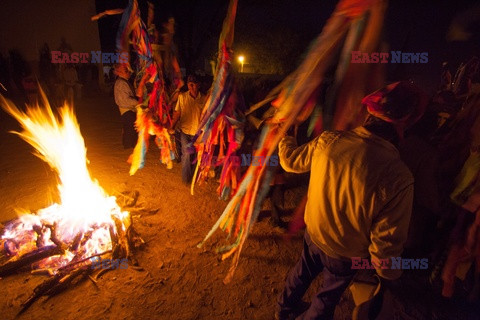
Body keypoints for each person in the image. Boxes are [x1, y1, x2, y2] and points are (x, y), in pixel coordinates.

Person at [275, 81, 427, 320]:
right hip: (345, 255)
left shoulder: (329, 141)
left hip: (313, 235)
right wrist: (385, 280)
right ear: (406, 122)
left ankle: (283, 311)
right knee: (327, 297)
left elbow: (290, 162)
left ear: (369, 111)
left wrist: (285, 134)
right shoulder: (399, 177)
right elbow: (385, 244)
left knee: (302, 273)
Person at [170, 75, 205, 183]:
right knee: (187, 154)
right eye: (189, 83)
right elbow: (177, 113)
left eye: (193, 83)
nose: (191, 85)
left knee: (196, 155)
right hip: (185, 131)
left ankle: (194, 177)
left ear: (198, 85)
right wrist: (171, 127)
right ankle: (186, 180)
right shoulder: (182, 97)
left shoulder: (204, 98)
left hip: (198, 133)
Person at [114, 64, 139, 149]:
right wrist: (138, 102)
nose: (129, 73)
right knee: (130, 130)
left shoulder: (124, 82)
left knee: (131, 130)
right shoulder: (121, 83)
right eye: (126, 71)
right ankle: (128, 148)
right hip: (127, 110)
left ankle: (130, 147)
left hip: (129, 109)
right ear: (120, 72)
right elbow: (125, 100)